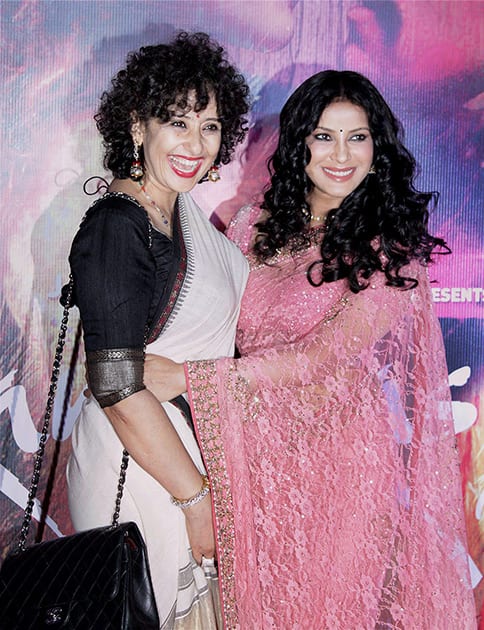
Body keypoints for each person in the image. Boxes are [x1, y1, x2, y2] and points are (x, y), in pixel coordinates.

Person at [143, 70, 477, 628]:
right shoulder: (250, 226)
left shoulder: (392, 254)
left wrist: (188, 378)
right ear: (299, 143)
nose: (341, 155)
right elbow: (207, 316)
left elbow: (320, 356)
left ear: (379, 145)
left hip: (343, 471)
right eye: (324, 136)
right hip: (251, 462)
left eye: (357, 136)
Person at [65, 32, 250, 629]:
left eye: (210, 126)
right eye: (177, 122)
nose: (195, 144)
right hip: (142, 475)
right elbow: (117, 386)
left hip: (178, 461)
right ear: (137, 125)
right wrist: (197, 503)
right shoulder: (118, 227)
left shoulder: (179, 210)